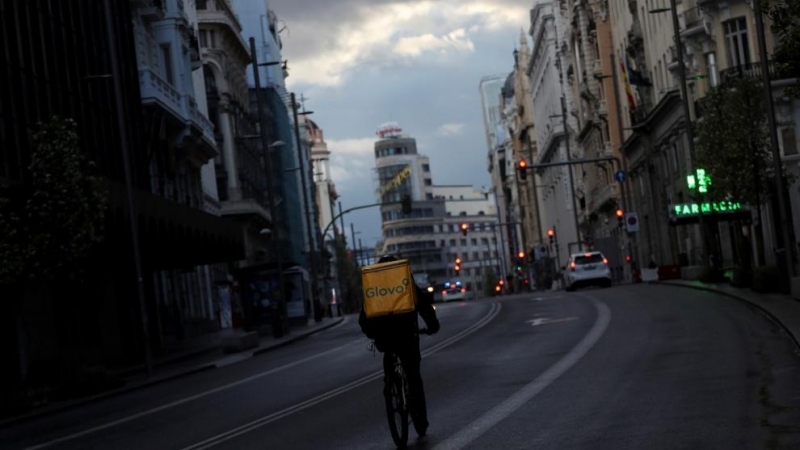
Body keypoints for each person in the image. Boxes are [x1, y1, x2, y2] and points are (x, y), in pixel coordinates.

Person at [358, 255, 440, 437]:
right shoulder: (404, 283)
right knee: (413, 376)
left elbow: (364, 317)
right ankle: (420, 418)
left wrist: (372, 333)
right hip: (407, 336)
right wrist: (433, 326)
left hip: (384, 339)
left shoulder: (374, 287)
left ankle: (390, 387)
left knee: (389, 361)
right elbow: (423, 305)